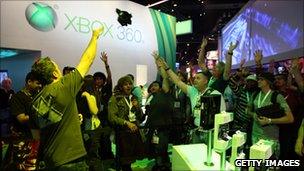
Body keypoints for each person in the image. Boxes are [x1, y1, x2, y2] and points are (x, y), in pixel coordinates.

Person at [31, 27, 103, 170]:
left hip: (49, 160)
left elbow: (36, 136)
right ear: (55, 74)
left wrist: (71, 119)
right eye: (57, 68)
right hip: (71, 160)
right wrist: (95, 36)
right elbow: (87, 60)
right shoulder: (63, 86)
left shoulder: (34, 102)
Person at [155, 54, 226, 144]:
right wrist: (167, 68)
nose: (195, 80)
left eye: (198, 78)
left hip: (212, 133)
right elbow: (177, 81)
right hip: (197, 130)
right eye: (195, 78)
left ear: (205, 81)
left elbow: (223, 115)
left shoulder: (215, 94)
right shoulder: (193, 91)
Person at [250, 72, 294, 159]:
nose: (258, 81)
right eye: (258, 79)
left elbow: (290, 118)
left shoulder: (277, 96)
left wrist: (270, 120)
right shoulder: (255, 94)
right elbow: (247, 110)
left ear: (268, 82)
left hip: (270, 137)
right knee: (255, 164)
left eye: (261, 79)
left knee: (270, 165)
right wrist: (253, 115)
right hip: (255, 135)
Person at [5, 71, 42, 170]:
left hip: (35, 138)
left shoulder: (36, 96)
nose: (40, 86)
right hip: (22, 140)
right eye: (37, 83)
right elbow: (21, 118)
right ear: (29, 82)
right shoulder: (18, 97)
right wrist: (41, 113)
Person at [108, 76, 146, 171]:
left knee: (131, 158)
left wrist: (137, 107)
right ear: (120, 87)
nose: (128, 86)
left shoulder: (134, 97)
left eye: (130, 84)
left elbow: (140, 118)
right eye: (125, 84)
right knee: (124, 160)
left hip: (134, 131)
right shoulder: (115, 99)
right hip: (123, 133)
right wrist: (126, 123)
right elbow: (112, 117)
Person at [93, 51, 114, 160]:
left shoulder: (106, 88)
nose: (98, 80)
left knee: (106, 138)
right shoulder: (92, 91)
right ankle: (100, 156)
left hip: (106, 118)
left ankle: (109, 156)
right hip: (96, 119)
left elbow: (110, 77)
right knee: (98, 139)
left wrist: (106, 64)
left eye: (100, 79)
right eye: (96, 79)